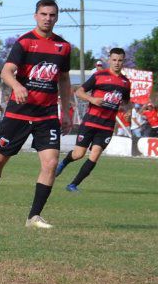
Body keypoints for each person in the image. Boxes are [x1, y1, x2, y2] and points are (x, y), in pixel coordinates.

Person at [0, 0, 72, 229]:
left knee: (51, 163)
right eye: (43, 14)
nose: (47, 18)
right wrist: (17, 86)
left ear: (57, 17)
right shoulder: (24, 43)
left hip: (47, 115)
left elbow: (64, 80)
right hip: (18, 114)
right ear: (36, 16)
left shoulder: (63, 47)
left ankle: (34, 216)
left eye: (52, 15)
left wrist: (68, 112)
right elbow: (6, 72)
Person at [55, 47, 131, 191]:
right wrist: (92, 99)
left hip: (107, 126)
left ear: (123, 62)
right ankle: (63, 163)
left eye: (120, 60)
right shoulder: (99, 76)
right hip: (91, 122)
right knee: (78, 154)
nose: (117, 63)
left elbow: (127, 102)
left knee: (95, 155)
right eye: (114, 60)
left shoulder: (126, 83)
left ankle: (73, 185)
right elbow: (79, 91)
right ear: (109, 60)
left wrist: (127, 111)